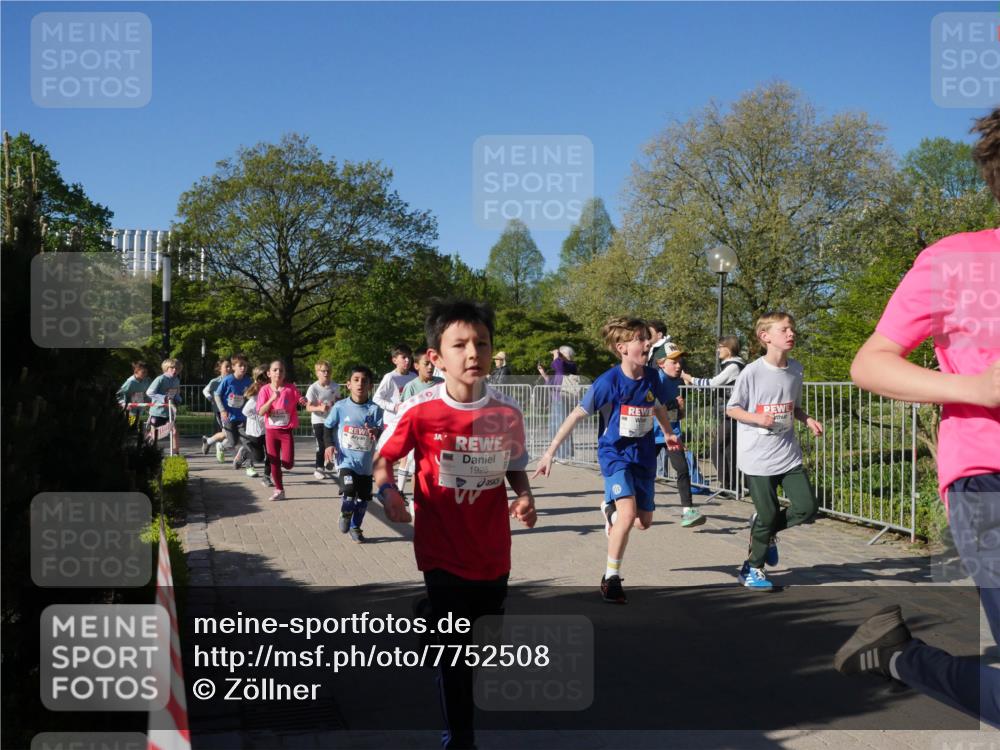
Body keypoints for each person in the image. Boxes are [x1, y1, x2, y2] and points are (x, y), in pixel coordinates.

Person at [833, 108, 1000, 727]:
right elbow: (870, 363)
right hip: (989, 476)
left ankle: (897, 656)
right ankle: (905, 661)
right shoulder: (956, 261)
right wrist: (977, 388)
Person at [374, 299, 536, 750]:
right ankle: (460, 739)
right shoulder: (420, 409)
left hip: (491, 550)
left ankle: (427, 617)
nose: (473, 354)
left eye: (481, 343)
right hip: (440, 548)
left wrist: (523, 495)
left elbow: (515, 464)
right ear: (436, 357)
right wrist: (388, 494)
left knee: (484, 639)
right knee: (456, 653)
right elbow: (384, 459)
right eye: (460, 344)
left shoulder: (507, 413)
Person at [534, 317, 681, 604]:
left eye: (647, 338)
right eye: (640, 339)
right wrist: (550, 451)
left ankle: (609, 511)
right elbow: (576, 414)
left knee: (643, 522)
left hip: (644, 455)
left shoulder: (653, 377)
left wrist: (667, 432)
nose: (647, 343)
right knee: (628, 516)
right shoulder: (608, 382)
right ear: (622, 347)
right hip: (615, 454)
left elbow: (659, 406)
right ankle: (611, 578)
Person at [726, 312, 823, 590]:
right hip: (757, 457)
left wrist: (807, 419)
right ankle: (752, 568)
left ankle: (764, 530)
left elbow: (794, 406)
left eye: (792, 329)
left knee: (806, 508)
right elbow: (732, 408)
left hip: (787, 453)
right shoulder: (752, 372)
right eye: (784, 330)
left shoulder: (796, 369)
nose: (791, 334)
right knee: (768, 516)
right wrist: (757, 419)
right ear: (765, 337)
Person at [323, 366, 383, 543]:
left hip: (365, 465)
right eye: (356, 380)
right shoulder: (340, 407)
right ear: (348, 384)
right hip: (346, 461)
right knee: (349, 491)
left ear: (370, 386)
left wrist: (376, 432)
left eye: (364, 381)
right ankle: (345, 513)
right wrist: (329, 445)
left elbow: (380, 432)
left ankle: (355, 527)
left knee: (364, 499)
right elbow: (327, 427)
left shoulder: (375, 409)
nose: (360, 384)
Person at [681, 335, 746, 493]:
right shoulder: (733, 365)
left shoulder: (733, 366)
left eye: (720, 347)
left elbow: (713, 383)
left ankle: (727, 485)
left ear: (728, 349)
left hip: (732, 413)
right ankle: (731, 486)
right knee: (729, 450)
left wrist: (690, 378)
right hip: (731, 413)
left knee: (716, 448)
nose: (717, 350)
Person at [652, 343, 705, 528]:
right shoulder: (655, 380)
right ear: (661, 363)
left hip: (672, 434)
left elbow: (678, 414)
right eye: (673, 361)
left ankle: (688, 510)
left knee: (682, 469)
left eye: (679, 361)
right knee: (643, 471)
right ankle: (628, 504)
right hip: (651, 434)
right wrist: (670, 405)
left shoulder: (677, 381)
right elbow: (652, 408)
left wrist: (680, 408)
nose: (678, 365)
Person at [257, 360, 305, 501]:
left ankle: (283, 470)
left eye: (281, 370)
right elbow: (260, 412)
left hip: (285, 431)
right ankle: (279, 490)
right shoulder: (264, 390)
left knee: (288, 464)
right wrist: (272, 399)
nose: (278, 373)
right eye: (275, 370)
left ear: (284, 374)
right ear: (269, 373)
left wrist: (304, 400)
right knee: (273, 462)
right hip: (271, 431)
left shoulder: (290, 388)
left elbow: (301, 399)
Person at [374, 343, 417, 493]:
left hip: (407, 422)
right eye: (403, 357)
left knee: (406, 455)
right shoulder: (390, 377)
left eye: (409, 358)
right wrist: (394, 407)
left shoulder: (414, 377)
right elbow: (377, 398)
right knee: (390, 457)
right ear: (394, 360)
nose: (407, 361)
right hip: (391, 422)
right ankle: (385, 487)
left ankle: (399, 490)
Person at [537, 345, 579, 460]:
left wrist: (556, 354)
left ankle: (565, 455)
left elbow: (558, 366)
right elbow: (552, 384)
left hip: (564, 399)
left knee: (563, 427)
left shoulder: (571, 365)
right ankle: (557, 454)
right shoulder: (562, 369)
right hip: (556, 400)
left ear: (566, 355)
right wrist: (544, 375)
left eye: (561, 355)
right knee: (554, 428)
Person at [306, 360, 340, 480]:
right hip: (318, 420)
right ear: (317, 373)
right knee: (321, 444)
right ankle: (319, 468)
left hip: (331, 419)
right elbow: (308, 407)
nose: (326, 373)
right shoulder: (313, 388)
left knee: (333, 443)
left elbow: (338, 401)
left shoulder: (335, 386)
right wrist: (319, 407)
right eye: (323, 371)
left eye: (328, 371)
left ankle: (330, 462)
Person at [215, 354, 251, 466]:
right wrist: (222, 410)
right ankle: (221, 446)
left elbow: (251, 395)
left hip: (242, 417)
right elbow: (217, 395)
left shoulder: (248, 381)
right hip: (228, 417)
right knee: (233, 442)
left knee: (247, 441)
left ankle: (247, 464)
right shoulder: (227, 380)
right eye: (240, 365)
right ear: (233, 367)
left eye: (245, 366)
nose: (243, 368)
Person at [239, 367, 271, 485]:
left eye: (268, 378)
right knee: (258, 458)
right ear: (258, 380)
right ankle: (245, 453)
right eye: (263, 379)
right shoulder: (255, 396)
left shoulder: (271, 391)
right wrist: (260, 418)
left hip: (269, 430)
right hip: (255, 431)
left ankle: (266, 477)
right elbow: (246, 411)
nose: (267, 381)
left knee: (271, 454)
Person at [146, 358, 182, 453]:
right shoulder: (160, 379)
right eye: (172, 368)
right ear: (166, 368)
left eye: (177, 368)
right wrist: (164, 398)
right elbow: (149, 392)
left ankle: (175, 453)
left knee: (174, 431)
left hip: (169, 412)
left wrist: (178, 399)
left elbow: (176, 393)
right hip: (157, 411)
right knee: (155, 434)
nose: (175, 370)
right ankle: (149, 450)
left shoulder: (176, 380)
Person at [201, 359, 232, 461]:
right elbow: (205, 390)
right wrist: (211, 399)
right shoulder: (215, 381)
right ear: (220, 369)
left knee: (229, 433)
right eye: (226, 366)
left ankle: (210, 442)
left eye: (230, 366)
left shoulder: (234, 379)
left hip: (233, 410)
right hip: (221, 411)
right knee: (228, 433)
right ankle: (217, 445)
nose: (229, 368)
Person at [117, 361, 151, 426]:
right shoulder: (130, 382)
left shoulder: (146, 380)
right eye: (143, 372)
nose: (145, 374)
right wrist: (124, 404)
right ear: (136, 371)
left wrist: (149, 402)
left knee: (140, 429)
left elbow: (148, 393)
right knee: (131, 428)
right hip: (130, 411)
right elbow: (119, 394)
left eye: (146, 372)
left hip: (141, 409)